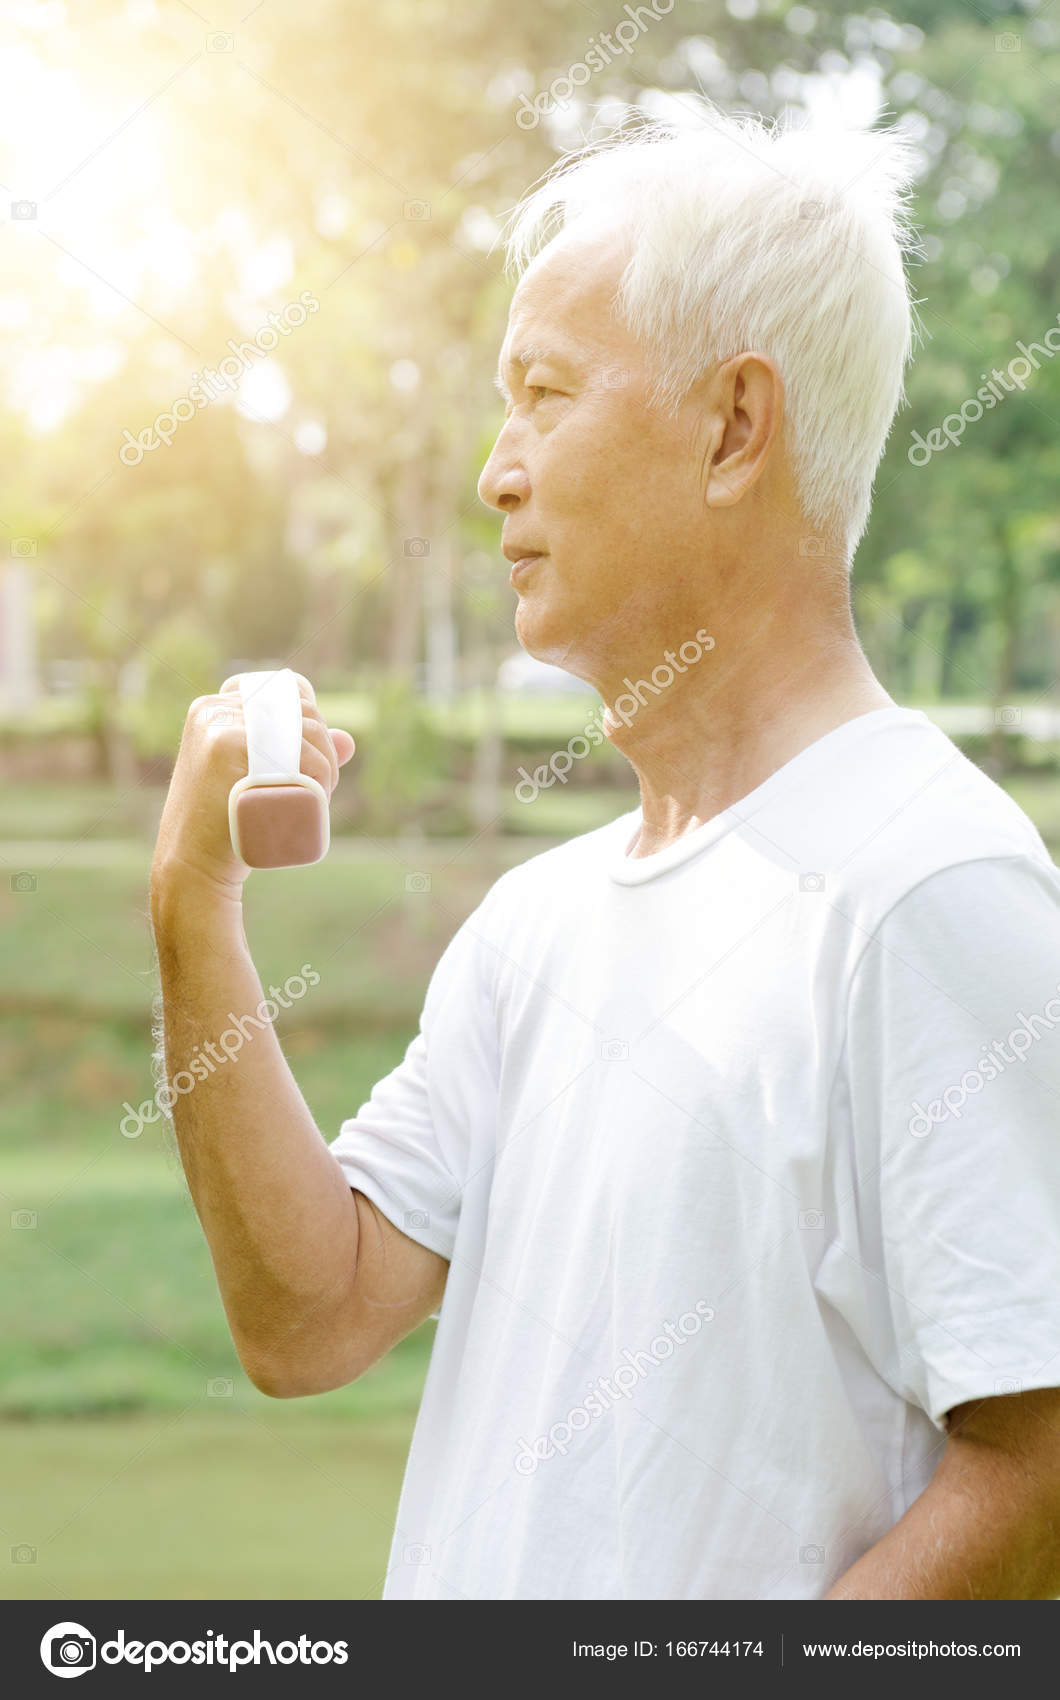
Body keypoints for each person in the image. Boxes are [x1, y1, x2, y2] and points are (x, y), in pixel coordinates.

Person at [150, 106, 1060, 1601]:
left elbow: (1036, 1475)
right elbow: (307, 1318)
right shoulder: (536, 926)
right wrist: (194, 910)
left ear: (733, 427)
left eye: (545, 395)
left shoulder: (931, 889)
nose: (496, 474)